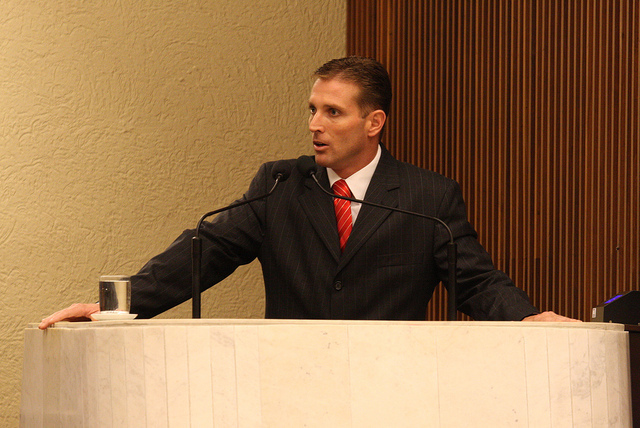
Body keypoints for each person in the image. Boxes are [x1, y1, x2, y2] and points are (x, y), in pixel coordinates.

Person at [40, 56, 577, 329]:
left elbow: (476, 282)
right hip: (287, 388)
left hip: (392, 390)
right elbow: (207, 250)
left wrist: (528, 319)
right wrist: (117, 305)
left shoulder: (427, 198)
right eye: (313, 110)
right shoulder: (280, 185)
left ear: (374, 123)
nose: (315, 125)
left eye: (333, 112)